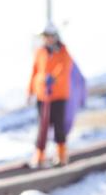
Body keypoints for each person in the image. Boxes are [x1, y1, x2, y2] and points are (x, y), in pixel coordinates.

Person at [27, 22, 74, 168]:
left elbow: (65, 68)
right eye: (45, 36)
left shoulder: (63, 51)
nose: (48, 39)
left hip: (58, 95)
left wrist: (53, 78)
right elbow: (35, 71)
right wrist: (30, 91)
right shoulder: (40, 51)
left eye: (49, 36)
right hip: (42, 95)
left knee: (58, 125)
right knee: (43, 126)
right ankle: (39, 156)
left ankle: (61, 155)